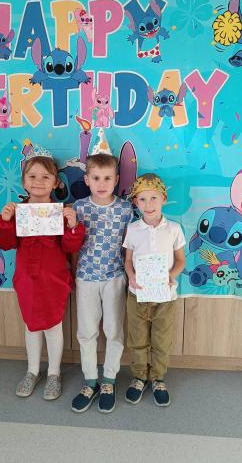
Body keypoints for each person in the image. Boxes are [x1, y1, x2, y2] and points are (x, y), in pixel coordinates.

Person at [0, 147, 85, 401]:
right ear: (24, 181)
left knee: (53, 325)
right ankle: (32, 371)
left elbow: (70, 247)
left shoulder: (61, 211)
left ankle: (54, 373)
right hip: (27, 278)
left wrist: (73, 225)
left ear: (56, 182)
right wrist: (5, 221)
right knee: (31, 325)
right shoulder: (17, 211)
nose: (38, 182)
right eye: (32, 176)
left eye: (46, 177)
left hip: (53, 279)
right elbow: (6, 244)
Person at [71, 153, 133, 414]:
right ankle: (90, 381)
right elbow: (72, 244)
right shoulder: (78, 208)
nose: (102, 183)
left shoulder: (125, 209)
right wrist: (72, 272)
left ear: (116, 180)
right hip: (86, 277)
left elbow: (130, 246)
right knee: (86, 331)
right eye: (96, 178)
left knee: (114, 330)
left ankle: (109, 380)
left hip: (114, 277)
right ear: (87, 179)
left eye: (108, 178)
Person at [123, 173, 186, 407]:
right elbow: (127, 260)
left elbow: (181, 261)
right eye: (142, 199)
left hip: (165, 297)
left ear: (163, 199)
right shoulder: (133, 229)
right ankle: (139, 377)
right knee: (137, 339)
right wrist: (131, 276)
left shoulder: (174, 229)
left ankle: (158, 378)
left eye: (153, 198)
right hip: (137, 294)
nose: (148, 204)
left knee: (161, 340)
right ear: (135, 202)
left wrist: (170, 276)